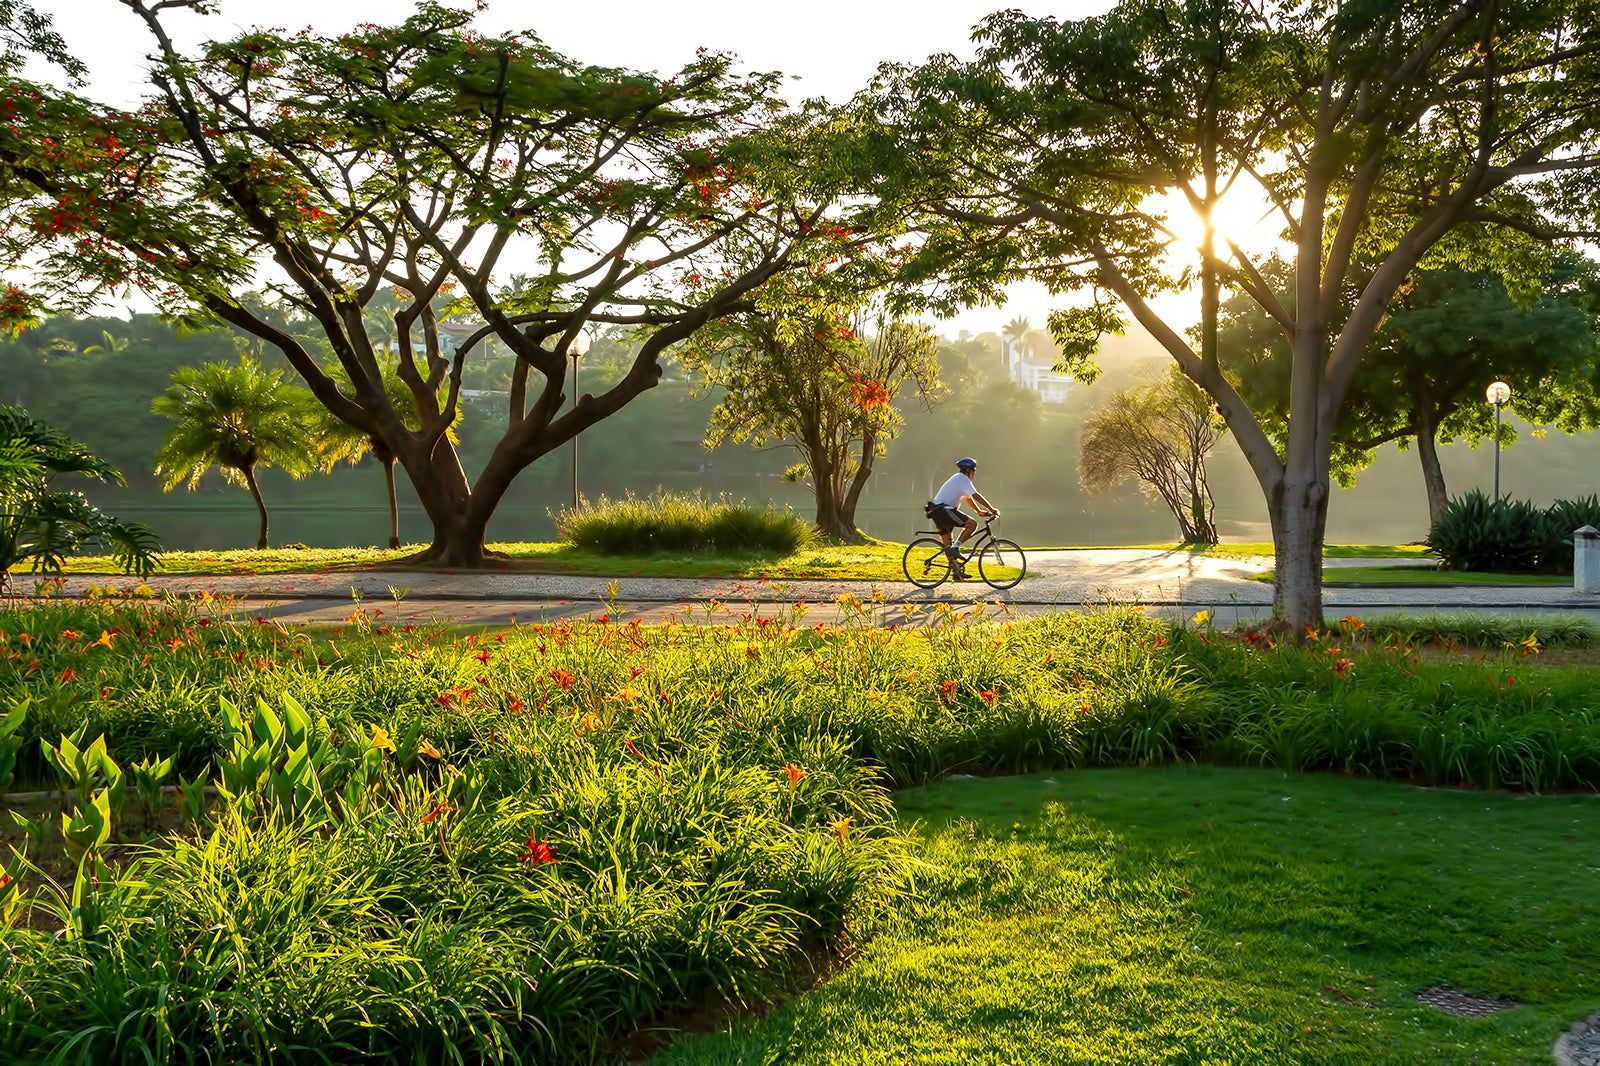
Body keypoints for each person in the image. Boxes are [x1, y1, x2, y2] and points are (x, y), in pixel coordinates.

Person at [926, 457, 999, 579]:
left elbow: (967, 497)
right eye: (974, 471)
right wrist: (991, 509)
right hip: (944, 510)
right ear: (969, 471)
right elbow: (975, 495)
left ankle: (956, 571)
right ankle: (956, 548)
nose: (974, 474)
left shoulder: (958, 479)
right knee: (972, 524)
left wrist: (978, 511)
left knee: (948, 545)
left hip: (937, 511)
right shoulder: (963, 479)